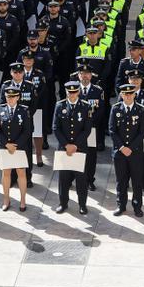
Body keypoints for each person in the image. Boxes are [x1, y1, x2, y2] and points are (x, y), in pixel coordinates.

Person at [52, 81, 93, 215]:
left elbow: (87, 130)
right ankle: (63, 203)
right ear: (66, 92)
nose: (72, 95)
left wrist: (75, 145)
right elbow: (56, 128)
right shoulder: (60, 105)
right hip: (64, 149)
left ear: (78, 92)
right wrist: (66, 145)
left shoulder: (86, 106)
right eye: (69, 92)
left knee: (81, 179)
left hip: (79, 148)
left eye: (74, 92)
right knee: (63, 179)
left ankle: (82, 204)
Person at [109, 84, 144, 218]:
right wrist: (122, 147)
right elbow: (112, 130)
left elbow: (142, 131)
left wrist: (130, 148)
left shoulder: (140, 109)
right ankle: (121, 205)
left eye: (130, 94)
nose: (128, 96)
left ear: (134, 95)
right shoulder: (115, 109)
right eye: (125, 94)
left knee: (137, 181)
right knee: (121, 181)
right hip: (120, 152)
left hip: (135, 152)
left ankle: (137, 207)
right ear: (121, 95)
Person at [0, 86, 32, 212]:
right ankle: (6, 199)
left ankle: (23, 200)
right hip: (5, 147)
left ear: (18, 97)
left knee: (21, 173)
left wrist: (16, 145)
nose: (10, 99)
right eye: (8, 97)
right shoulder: (1, 109)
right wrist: (6, 144)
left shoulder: (24, 110)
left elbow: (28, 130)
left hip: (19, 148)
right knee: (6, 173)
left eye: (13, 97)